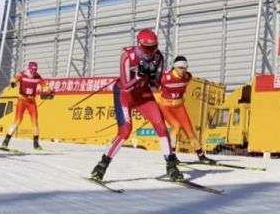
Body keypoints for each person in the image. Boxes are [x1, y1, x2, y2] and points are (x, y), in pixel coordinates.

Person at [90, 28, 183, 182]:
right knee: (125, 131)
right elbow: (126, 85)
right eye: (147, 48)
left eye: (153, 47)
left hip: (143, 95)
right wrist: (139, 76)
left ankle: (171, 165)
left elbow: (156, 85)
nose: (150, 52)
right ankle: (102, 165)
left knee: (160, 124)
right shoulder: (128, 56)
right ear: (139, 45)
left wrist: (152, 76)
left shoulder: (158, 57)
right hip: (125, 95)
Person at [158, 55, 211, 162]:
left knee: (189, 130)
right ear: (174, 67)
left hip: (179, 106)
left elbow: (182, 88)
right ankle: (171, 155)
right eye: (180, 68)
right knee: (176, 127)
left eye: (185, 68)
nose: (183, 71)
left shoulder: (188, 77)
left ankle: (201, 155)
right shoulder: (165, 78)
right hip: (166, 107)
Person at [2, 61, 53, 150]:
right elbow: (15, 80)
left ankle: (36, 144)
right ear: (29, 68)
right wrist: (13, 83)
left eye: (35, 70)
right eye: (32, 70)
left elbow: (44, 86)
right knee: (17, 121)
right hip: (22, 100)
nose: (34, 72)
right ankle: (6, 140)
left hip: (31, 102)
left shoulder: (37, 76)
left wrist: (49, 90)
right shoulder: (23, 74)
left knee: (34, 122)